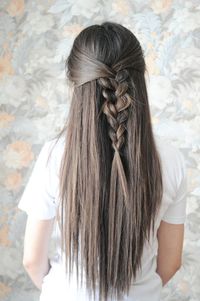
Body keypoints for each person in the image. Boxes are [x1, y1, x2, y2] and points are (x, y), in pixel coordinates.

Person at [18, 21, 187, 301]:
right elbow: (171, 263)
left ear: (75, 84)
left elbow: (32, 260)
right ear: (139, 80)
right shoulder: (170, 159)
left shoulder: (53, 155)